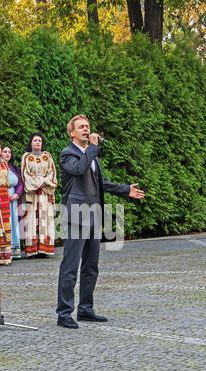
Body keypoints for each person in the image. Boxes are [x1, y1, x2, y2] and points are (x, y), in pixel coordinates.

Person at [56, 115, 145, 328]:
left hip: (94, 216)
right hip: (76, 217)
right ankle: (64, 313)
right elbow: (78, 170)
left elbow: (100, 182)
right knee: (70, 267)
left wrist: (125, 190)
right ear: (72, 133)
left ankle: (86, 309)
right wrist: (93, 148)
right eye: (81, 127)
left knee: (91, 266)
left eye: (87, 126)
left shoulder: (91, 156)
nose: (86, 129)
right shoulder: (67, 154)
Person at [21, 133, 57, 258]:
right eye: (35, 140)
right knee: (31, 220)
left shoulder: (47, 157)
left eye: (39, 140)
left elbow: (52, 173)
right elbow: (25, 174)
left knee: (45, 220)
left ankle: (44, 249)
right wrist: (40, 182)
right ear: (31, 142)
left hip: (45, 194)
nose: (37, 142)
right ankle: (32, 250)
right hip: (32, 194)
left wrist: (44, 182)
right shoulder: (27, 157)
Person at [2, 146, 24, 259]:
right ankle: (5, 249)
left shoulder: (14, 168)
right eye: (4, 152)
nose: (7, 154)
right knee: (5, 223)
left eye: (9, 152)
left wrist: (17, 194)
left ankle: (14, 249)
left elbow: (20, 183)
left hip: (13, 199)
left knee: (14, 223)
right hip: (2, 198)